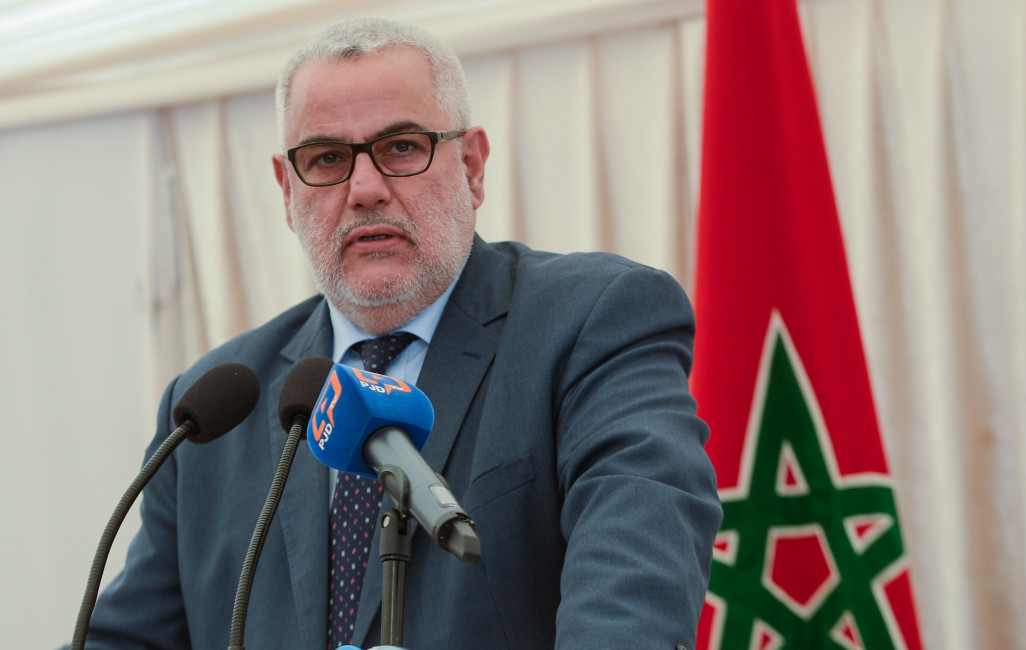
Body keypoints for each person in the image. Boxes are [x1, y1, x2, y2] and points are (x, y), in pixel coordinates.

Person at [73, 17, 721, 649]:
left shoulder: (593, 319)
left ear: (471, 165)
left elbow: (636, 578)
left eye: (401, 148)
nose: (363, 189)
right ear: (285, 190)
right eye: (325, 158)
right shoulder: (211, 409)